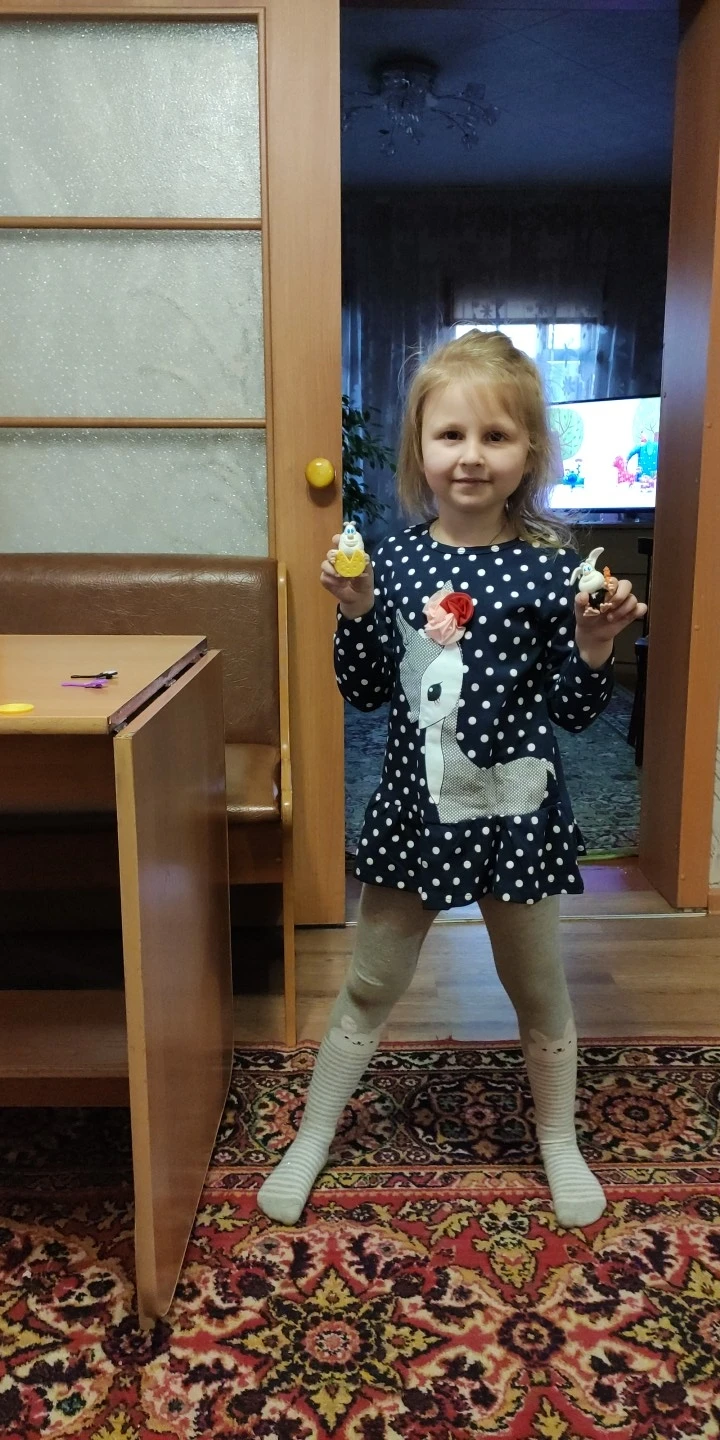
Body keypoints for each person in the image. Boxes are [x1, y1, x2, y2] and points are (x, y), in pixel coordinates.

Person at [258, 330, 646, 1230]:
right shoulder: (391, 561)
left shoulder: (553, 573)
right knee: (370, 984)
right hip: (414, 811)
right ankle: (312, 1136)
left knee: (538, 989)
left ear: (529, 453)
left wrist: (593, 646)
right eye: (451, 435)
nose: (472, 455)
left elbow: (576, 715)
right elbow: (363, 691)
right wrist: (357, 611)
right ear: (420, 449)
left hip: (518, 814)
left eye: (496, 436)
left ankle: (559, 1140)